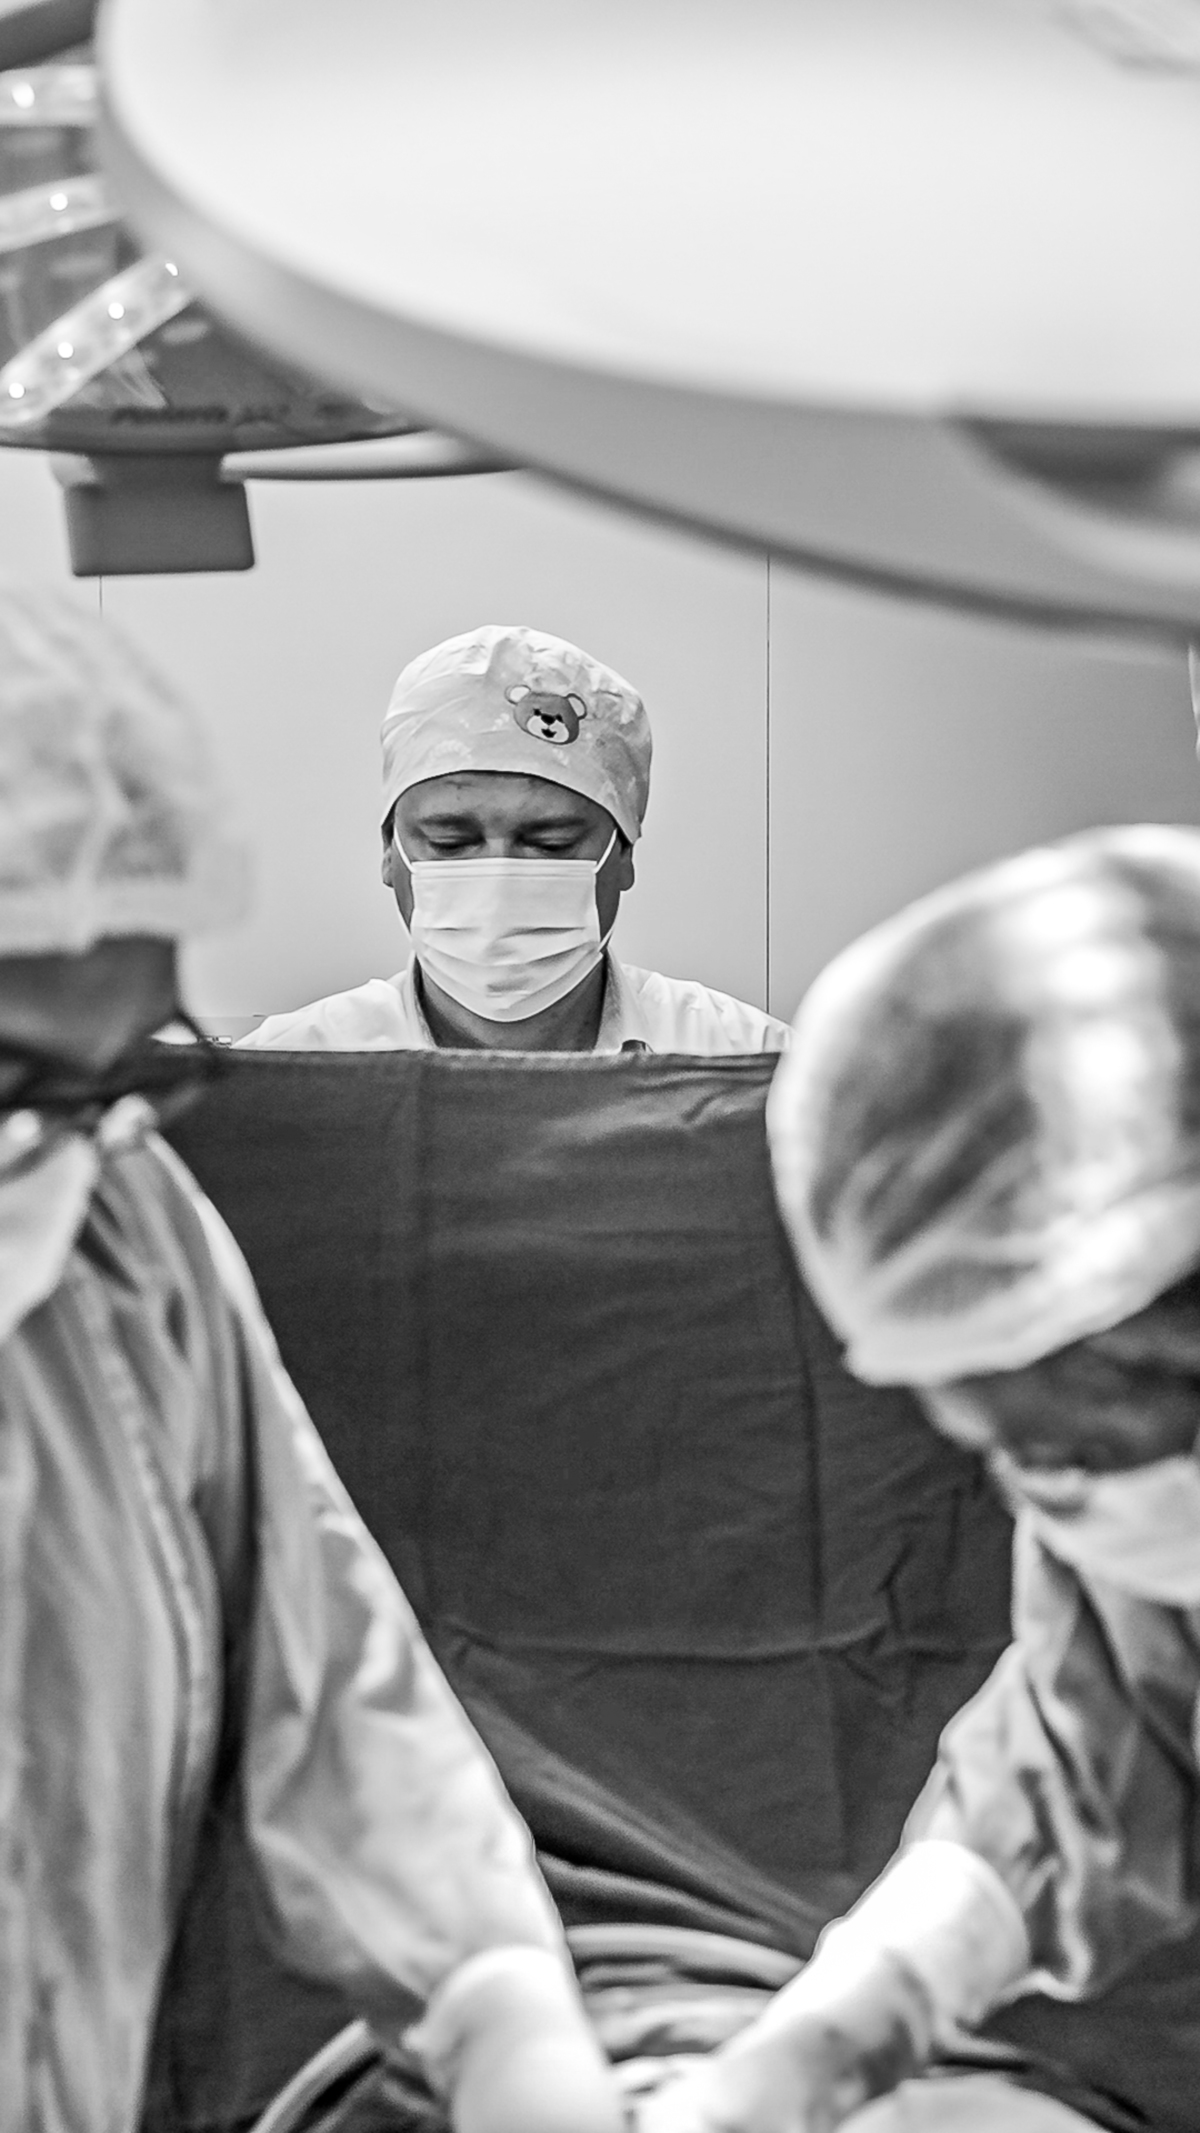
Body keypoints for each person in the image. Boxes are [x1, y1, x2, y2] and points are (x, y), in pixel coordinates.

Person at [0, 580, 623, 2133]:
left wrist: (493, 2001)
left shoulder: (118, 1227)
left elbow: (333, 1676)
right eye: (20, 1077)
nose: (77, 1142)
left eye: (127, 1071)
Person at [644, 823, 1200, 2133]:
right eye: (1001, 1454)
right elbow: (1079, 1762)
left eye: (1068, 1449)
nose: (1055, 1505)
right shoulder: (1143, 1528)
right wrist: (847, 2024)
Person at [241, 624, 789, 1054]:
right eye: (450, 842)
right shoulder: (286, 1071)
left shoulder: (752, 1066)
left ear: (623, 853)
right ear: (390, 851)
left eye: (550, 843)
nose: (498, 878)